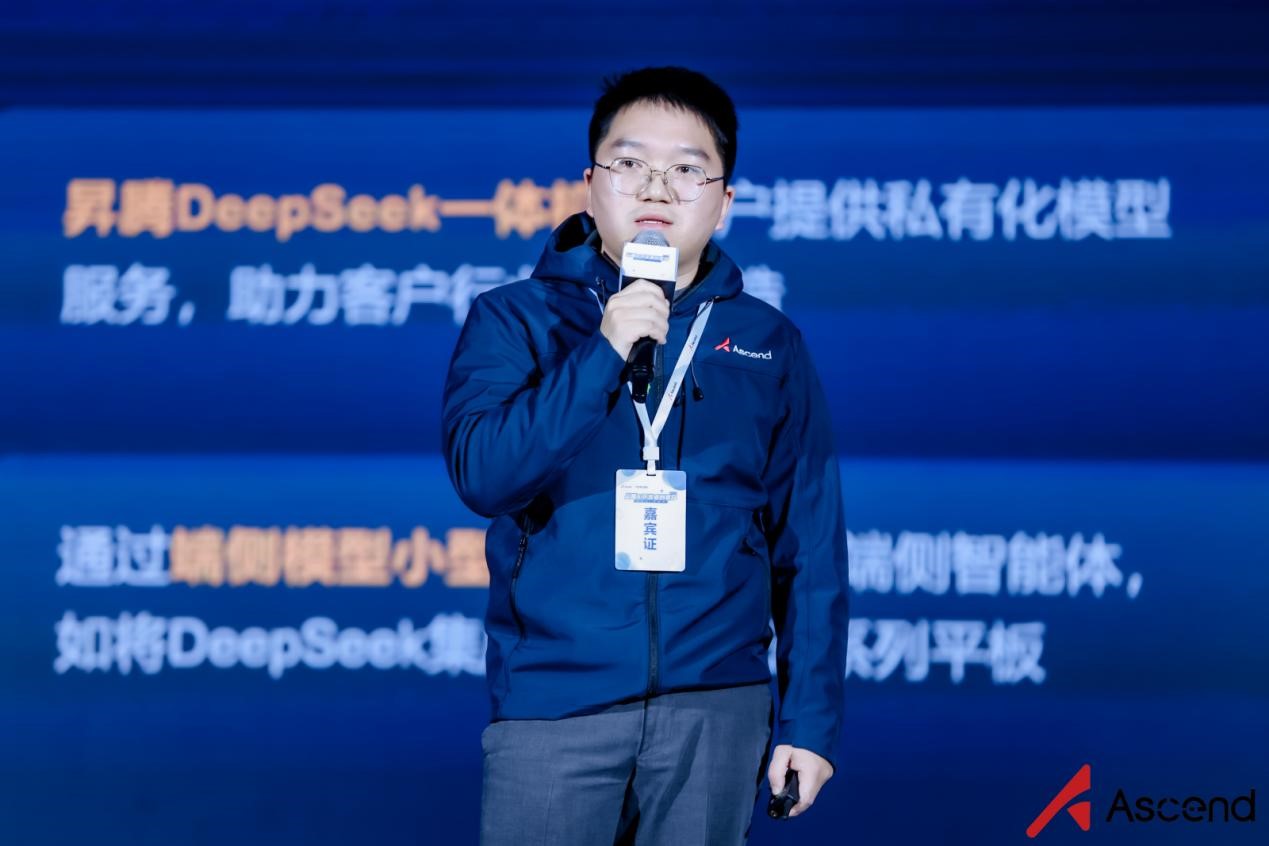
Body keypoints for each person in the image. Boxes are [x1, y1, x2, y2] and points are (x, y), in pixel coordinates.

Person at [442, 66, 849, 845]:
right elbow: (483, 475)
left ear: (723, 201)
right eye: (630, 163)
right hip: (556, 700)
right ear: (590, 185)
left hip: (717, 703)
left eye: (687, 169)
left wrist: (809, 721)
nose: (656, 188)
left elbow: (809, 544)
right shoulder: (512, 320)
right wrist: (602, 351)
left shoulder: (767, 342)